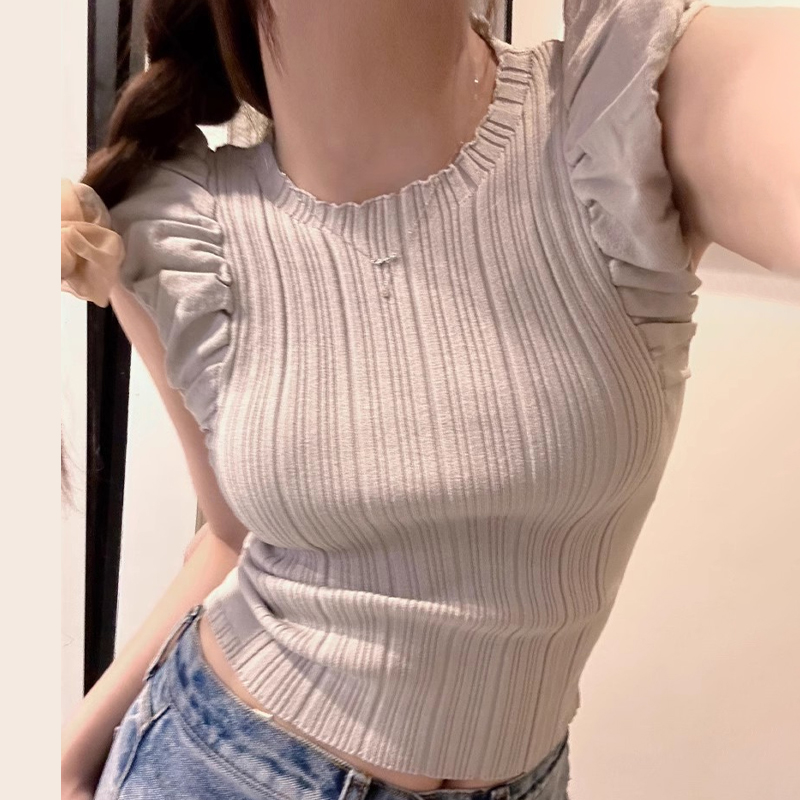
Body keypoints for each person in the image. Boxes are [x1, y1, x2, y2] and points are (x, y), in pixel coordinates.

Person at [60, 1, 800, 798]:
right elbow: (228, 537)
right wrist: (69, 759)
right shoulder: (176, 226)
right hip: (219, 766)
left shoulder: (620, 104)